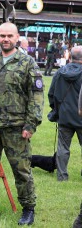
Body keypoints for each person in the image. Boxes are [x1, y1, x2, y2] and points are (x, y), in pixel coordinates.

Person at [0, 22, 44, 226]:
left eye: (9, 36)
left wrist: (31, 124)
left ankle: (28, 209)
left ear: (17, 37)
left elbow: (36, 97)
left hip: (16, 128)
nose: (5, 39)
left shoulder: (27, 63)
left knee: (21, 171)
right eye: (2, 36)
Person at [48, 45, 82, 182]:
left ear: (71, 56)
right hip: (80, 116)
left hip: (65, 115)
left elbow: (51, 94)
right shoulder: (61, 72)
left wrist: (57, 110)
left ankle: (62, 176)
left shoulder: (60, 72)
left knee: (63, 147)